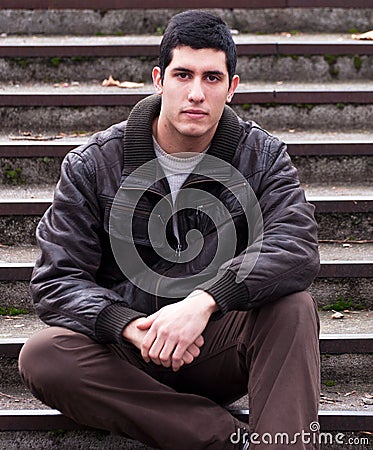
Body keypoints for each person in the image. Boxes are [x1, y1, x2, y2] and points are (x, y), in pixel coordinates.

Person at [19, 10, 320, 450]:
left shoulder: (263, 156)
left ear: (232, 88)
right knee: (44, 356)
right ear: (159, 80)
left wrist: (205, 301)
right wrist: (126, 325)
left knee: (294, 307)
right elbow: (57, 280)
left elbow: (295, 246)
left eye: (212, 78)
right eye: (183, 74)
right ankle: (228, 440)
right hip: (129, 358)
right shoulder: (94, 164)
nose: (196, 93)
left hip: (215, 346)